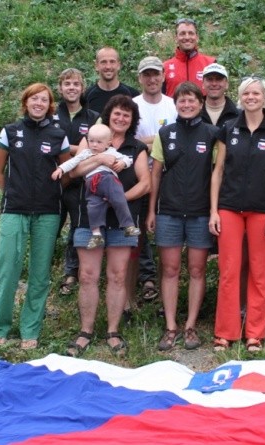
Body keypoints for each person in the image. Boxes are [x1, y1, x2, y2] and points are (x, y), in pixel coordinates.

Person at [66, 95, 150, 357]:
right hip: (89, 219)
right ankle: (85, 331)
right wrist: (100, 159)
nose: (121, 118)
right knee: (88, 276)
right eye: (117, 113)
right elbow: (74, 172)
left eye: (127, 114)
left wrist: (119, 200)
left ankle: (113, 331)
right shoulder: (91, 141)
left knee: (117, 276)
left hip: (122, 221)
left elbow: (145, 183)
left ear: (132, 120)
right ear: (108, 115)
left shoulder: (136, 148)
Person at [209, 77, 265, 352]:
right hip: (229, 208)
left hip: (262, 211)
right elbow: (217, 171)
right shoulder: (228, 127)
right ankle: (225, 333)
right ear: (240, 97)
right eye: (246, 93)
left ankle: (255, 333)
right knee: (229, 271)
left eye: (256, 93)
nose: (251, 97)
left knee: (259, 272)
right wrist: (214, 211)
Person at [0, 83, 71, 350]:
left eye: (44, 100)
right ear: (25, 102)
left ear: (50, 106)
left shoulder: (58, 135)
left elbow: (67, 173)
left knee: (39, 273)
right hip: (14, 210)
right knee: (8, 268)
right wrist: (13, 193)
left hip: (47, 212)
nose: (38, 103)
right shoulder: (10, 131)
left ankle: (30, 329)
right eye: (34, 98)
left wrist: (49, 194)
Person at [146, 82, 219, 351]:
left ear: (201, 103)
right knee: (170, 270)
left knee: (198, 270)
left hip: (200, 213)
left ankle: (190, 326)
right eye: (181, 101)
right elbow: (155, 174)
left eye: (191, 101)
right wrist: (152, 209)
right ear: (175, 104)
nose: (186, 105)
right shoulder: (164, 133)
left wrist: (213, 211)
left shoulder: (213, 134)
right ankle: (170, 327)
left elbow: (217, 174)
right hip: (169, 212)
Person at [52, 124, 141, 249]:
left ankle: (128, 226)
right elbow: (72, 162)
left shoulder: (112, 152)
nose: (94, 145)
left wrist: (122, 163)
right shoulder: (85, 153)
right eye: (91, 141)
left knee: (119, 200)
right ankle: (96, 234)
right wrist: (60, 169)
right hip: (92, 185)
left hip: (108, 180)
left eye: (99, 142)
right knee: (93, 207)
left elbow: (128, 159)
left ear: (108, 143)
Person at [133, 56, 178, 302]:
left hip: (167, 180)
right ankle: (140, 284)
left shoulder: (173, 105)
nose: (151, 79)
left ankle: (163, 295)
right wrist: (158, 139)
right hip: (138, 177)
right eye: (146, 75)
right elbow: (127, 141)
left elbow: (177, 140)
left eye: (155, 74)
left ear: (163, 76)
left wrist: (147, 141)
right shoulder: (132, 105)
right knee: (134, 235)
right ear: (140, 78)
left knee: (166, 238)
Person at [54, 68, 101, 295]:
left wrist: (65, 147)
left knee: (77, 226)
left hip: (80, 181)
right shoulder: (51, 114)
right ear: (60, 88)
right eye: (67, 84)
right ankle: (42, 267)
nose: (71, 88)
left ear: (83, 88)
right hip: (53, 179)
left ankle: (71, 272)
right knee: (52, 225)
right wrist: (76, 148)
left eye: (76, 84)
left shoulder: (93, 117)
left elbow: (96, 147)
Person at [163, 18, 215, 98]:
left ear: (197, 37)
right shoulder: (165, 67)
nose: (187, 37)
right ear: (176, 38)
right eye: (182, 33)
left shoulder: (210, 64)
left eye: (191, 33)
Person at [85, 47, 139, 114]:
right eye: (103, 62)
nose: (108, 67)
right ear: (96, 66)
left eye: (112, 62)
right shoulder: (86, 96)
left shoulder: (133, 95)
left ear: (119, 65)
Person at [199, 63, 239, 127]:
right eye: (209, 79)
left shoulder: (238, 114)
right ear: (203, 84)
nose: (214, 83)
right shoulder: (194, 113)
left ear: (227, 84)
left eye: (219, 79)